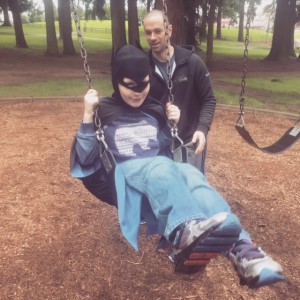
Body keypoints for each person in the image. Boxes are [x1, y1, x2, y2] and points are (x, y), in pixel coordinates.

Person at [70, 44, 284, 289]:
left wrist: (174, 123)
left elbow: (163, 146)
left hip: (157, 179)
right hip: (123, 180)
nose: (138, 92)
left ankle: (244, 252)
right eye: (130, 85)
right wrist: (87, 116)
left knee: (190, 172)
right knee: (161, 166)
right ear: (116, 81)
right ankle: (184, 233)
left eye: (145, 84)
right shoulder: (103, 111)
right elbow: (85, 160)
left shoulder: (154, 109)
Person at [143, 10, 216, 174]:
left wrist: (202, 129)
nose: (152, 37)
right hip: (157, 144)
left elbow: (209, 99)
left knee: (190, 189)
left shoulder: (192, 63)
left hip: (189, 140)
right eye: (148, 33)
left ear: (169, 30)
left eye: (157, 31)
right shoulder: (143, 67)